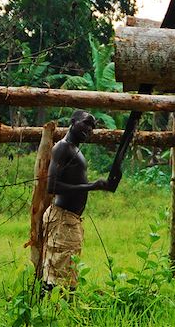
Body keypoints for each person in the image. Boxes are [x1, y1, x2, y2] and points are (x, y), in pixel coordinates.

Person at [41, 110, 109, 290]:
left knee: (62, 272)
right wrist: (91, 186)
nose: (89, 129)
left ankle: (52, 311)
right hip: (62, 220)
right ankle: (55, 314)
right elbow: (52, 187)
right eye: (86, 123)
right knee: (59, 277)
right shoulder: (63, 147)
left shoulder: (74, 149)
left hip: (69, 220)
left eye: (92, 127)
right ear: (72, 121)